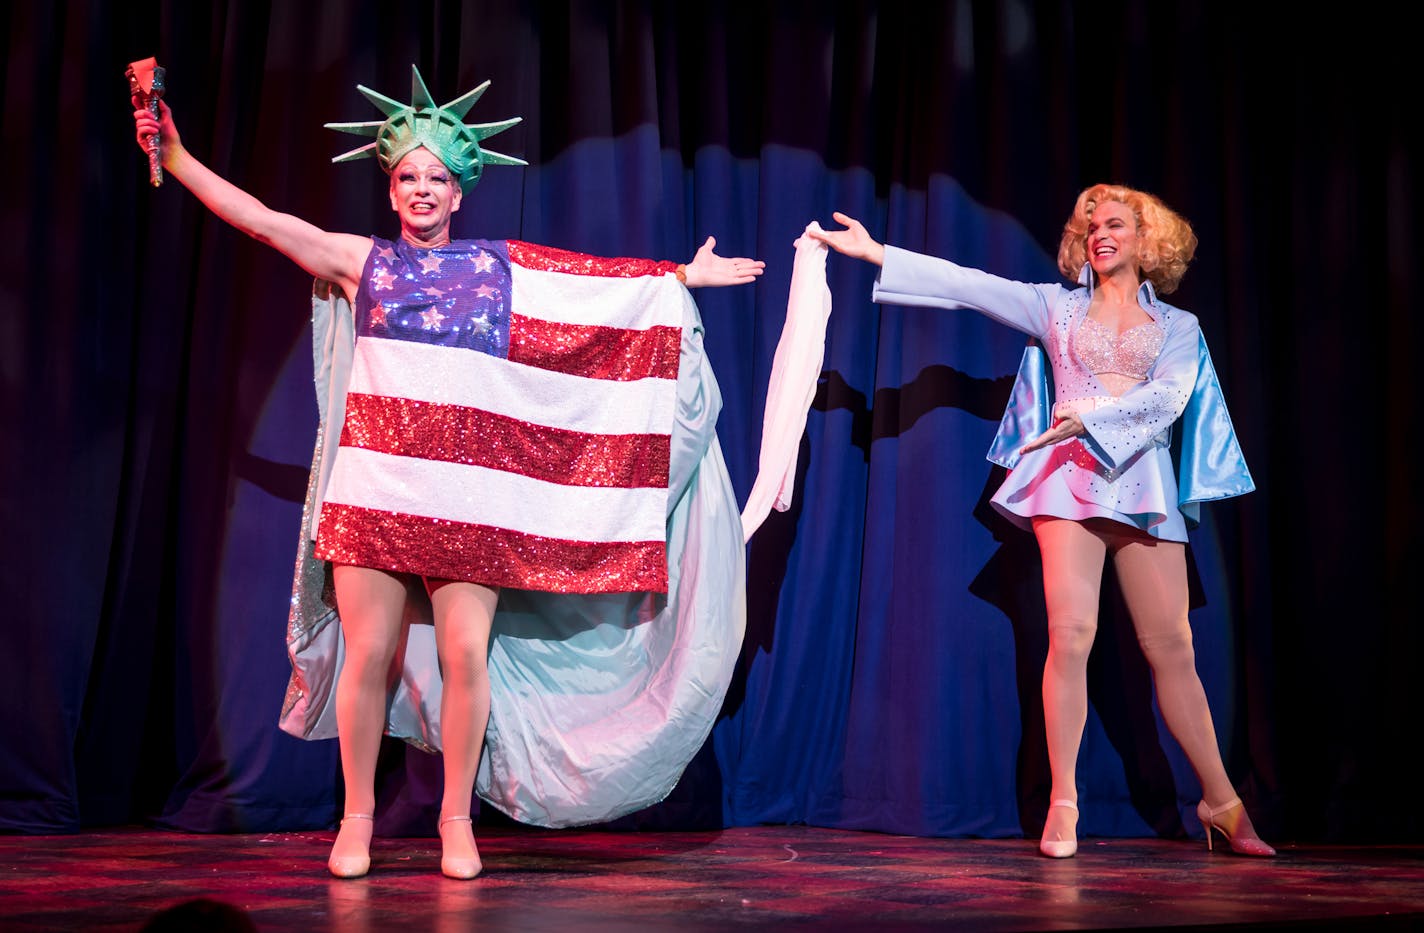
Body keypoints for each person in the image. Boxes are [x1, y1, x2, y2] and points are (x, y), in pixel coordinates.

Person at [134, 66, 763, 880]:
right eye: (408, 178)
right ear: (391, 191)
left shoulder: (500, 271)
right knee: (367, 658)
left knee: (467, 655)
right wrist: (178, 157)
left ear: (459, 193)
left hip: (466, 498)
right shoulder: (360, 263)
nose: (422, 190)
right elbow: (262, 222)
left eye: (436, 178)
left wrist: (679, 278)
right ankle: (356, 819)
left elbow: (594, 290)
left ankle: (456, 820)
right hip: (376, 492)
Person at [810, 185, 1274, 858]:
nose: (1100, 233)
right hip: (1068, 484)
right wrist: (876, 251)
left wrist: (1088, 416)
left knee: (1173, 649)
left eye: (1116, 223)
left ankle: (1221, 800)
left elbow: (1172, 396)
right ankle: (1065, 801)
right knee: (1071, 634)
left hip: (1144, 485)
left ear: (1148, 241)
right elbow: (968, 284)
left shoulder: (1180, 327)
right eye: (1091, 224)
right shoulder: (1054, 306)